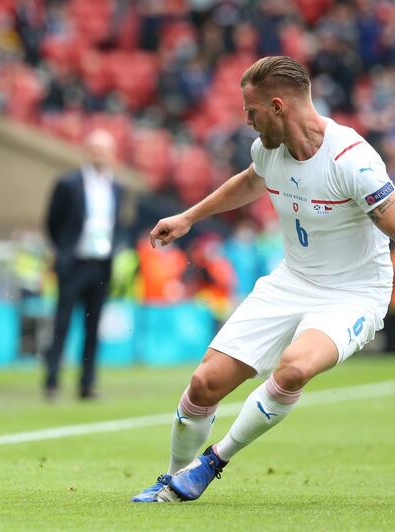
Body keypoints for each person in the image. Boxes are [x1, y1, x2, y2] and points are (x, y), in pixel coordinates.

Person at [132, 56, 395, 503]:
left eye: (250, 110)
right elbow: (251, 181)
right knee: (204, 384)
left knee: (293, 368)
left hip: (352, 294)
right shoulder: (268, 150)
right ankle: (171, 480)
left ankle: (213, 461)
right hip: (290, 281)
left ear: (278, 107)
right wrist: (189, 217)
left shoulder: (353, 161)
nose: (246, 119)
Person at [43, 129, 126, 401]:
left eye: (105, 149)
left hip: (101, 264)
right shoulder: (69, 183)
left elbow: (118, 223)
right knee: (62, 323)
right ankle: (52, 380)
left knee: (94, 328)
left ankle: (86, 383)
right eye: (95, 148)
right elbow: (53, 221)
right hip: (74, 262)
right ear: (87, 151)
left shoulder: (116, 187)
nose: (100, 154)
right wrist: (64, 251)